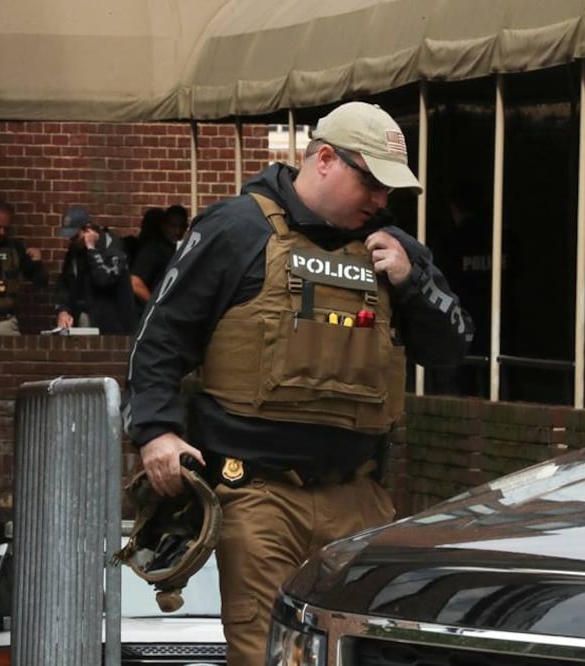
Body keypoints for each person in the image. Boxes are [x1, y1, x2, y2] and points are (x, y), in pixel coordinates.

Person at [124, 101, 472, 665]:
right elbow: (160, 338)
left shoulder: (393, 249)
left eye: (391, 190)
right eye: (373, 183)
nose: (383, 201)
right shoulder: (236, 229)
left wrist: (414, 283)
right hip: (257, 497)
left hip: (360, 499)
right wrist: (156, 432)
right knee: (267, 656)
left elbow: (452, 347)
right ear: (326, 159)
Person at [428, 182, 519, 396]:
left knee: (464, 383)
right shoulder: (506, 240)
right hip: (503, 324)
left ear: (455, 208)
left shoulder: (451, 242)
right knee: (503, 381)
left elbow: (437, 284)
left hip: (462, 325)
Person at [54, 207, 138, 334]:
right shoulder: (74, 252)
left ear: (88, 229)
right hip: (86, 320)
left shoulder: (113, 247)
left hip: (114, 328)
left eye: (75, 236)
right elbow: (65, 284)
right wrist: (63, 310)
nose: (71, 241)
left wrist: (91, 249)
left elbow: (103, 279)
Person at [0, 202, 47, 335]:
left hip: (6, 321)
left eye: (6, 228)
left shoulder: (15, 249)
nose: (2, 232)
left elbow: (41, 281)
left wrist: (38, 263)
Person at [127, 207, 176, 311]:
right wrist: (154, 308)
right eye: (172, 226)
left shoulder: (165, 249)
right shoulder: (153, 251)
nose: (177, 231)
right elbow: (135, 282)